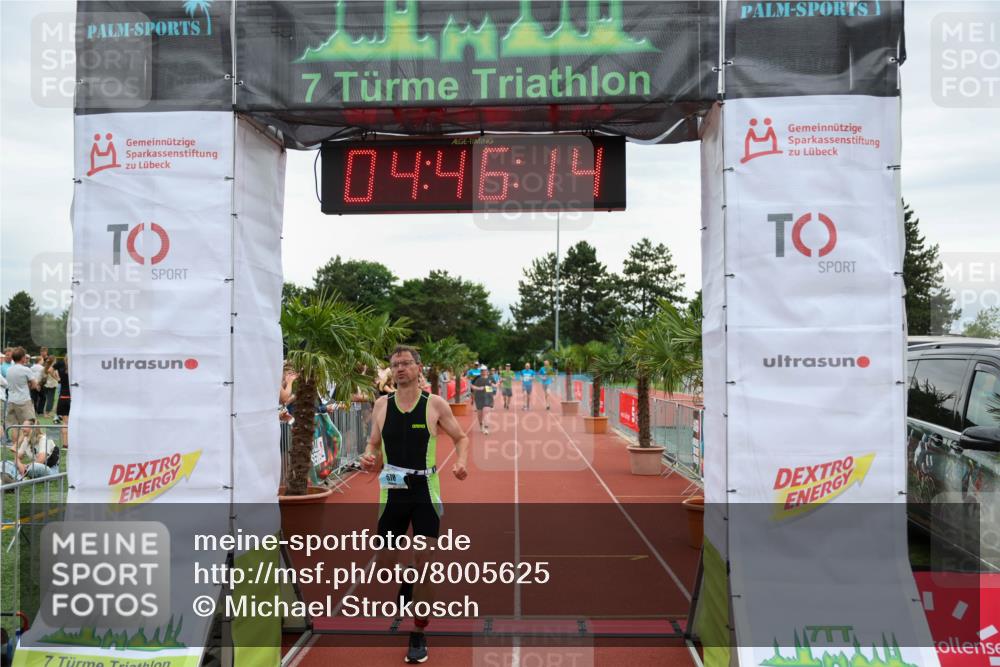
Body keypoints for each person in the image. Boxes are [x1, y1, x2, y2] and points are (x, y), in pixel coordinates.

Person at [359, 345, 469, 664]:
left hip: (424, 489)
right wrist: (369, 456)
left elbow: (461, 438)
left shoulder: (434, 404)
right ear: (391, 371)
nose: (401, 368)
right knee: (386, 561)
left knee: (427, 564)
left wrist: (461, 463)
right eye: (395, 364)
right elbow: (373, 443)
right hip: (392, 489)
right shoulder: (382, 405)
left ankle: (419, 631)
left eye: (407, 363)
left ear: (419, 368)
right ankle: (406, 575)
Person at [5, 349, 38, 444]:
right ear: (23, 358)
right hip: (24, 400)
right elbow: (35, 385)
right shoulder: (26, 370)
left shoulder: (9, 369)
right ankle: (19, 446)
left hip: (11, 400)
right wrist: (29, 385)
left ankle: (15, 446)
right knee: (30, 422)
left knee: (15, 427)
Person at [471, 364, 496, 434]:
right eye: (482, 370)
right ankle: (481, 425)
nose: (483, 372)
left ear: (487, 371)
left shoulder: (491, 378)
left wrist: (499, 383)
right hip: (479, 397)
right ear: (480, 371)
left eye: (485, 370)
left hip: (488, 397)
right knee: (480, 414)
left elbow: (495, 385)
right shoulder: (477, 378)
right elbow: (472, 386)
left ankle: (486, 427)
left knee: (486, 411)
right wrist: (478, 388)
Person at [52, 358, 71, 446]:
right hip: (72, 398)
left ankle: (65, 444)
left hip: (63, 397)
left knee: (65, 422)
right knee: (72, 422)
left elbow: (49, 370)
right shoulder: (76, 367)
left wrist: (57, 379)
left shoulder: (60, 365)